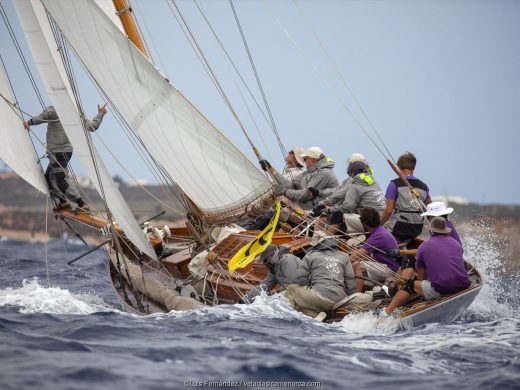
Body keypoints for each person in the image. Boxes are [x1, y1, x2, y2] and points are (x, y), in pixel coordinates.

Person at [24, 104, 107, 210]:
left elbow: (43, 117)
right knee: (50, 176)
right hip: (67, 152)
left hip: (57, 152)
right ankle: (63, 202)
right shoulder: (76, 112)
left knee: (60, 179)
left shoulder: (54, 110)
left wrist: (29, 123)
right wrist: (101, 113)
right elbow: (92, 126)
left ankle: (81, 203)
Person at [382, 217, 471, 315]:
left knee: (410, 284)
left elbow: (421, 278)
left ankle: (386, 312)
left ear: (430, 230)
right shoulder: (456, 243)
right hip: (464, 284)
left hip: (443, 288)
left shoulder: (423, 247)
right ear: (446, 230)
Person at [284, 236, 356, 318]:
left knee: (291, 289)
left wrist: (310, 284)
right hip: (339, 299)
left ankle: (287, 316)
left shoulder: (310, 255)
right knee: (310, 303)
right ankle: (315, 316)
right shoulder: (345, 256)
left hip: (319, 297)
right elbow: (350, 280)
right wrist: (349, 300)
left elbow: (301, 280)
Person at [260, 146, 339, 211]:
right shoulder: (308, 172)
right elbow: (291, 185)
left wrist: (284, 192)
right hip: (304, 206)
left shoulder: (324, 173)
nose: (304, 162)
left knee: (275, 208)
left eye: (305, 159)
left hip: (314, 210)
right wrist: (271, 169)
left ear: (312, 159)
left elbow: (305, 195)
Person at [380, 152, 432, 242]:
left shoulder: (394, 184)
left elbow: (388, 211)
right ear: (413, 167)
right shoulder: (424, 187)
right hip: (418, 227)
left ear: (399, 167)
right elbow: (431, 208)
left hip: (399, 227)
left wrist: (378, 226)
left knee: (378, 236)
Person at [325, 161, 386, 236]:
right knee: (348, 218)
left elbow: (347, 207)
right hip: (383, 220)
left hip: (370, 222)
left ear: (352, 173)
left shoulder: (355, 186)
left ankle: (326, 241)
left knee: (337, 215)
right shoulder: (375, 183)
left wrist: (328, 210)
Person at [350, 207, 400, 292]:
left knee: (356, 266)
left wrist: (342, 262)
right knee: (359, 262)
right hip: (389, 266)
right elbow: (365, 253)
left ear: (364, 224)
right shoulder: (381, 231)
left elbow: (357, 255)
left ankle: (356, 294)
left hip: (391, 269)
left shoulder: (377, 236)